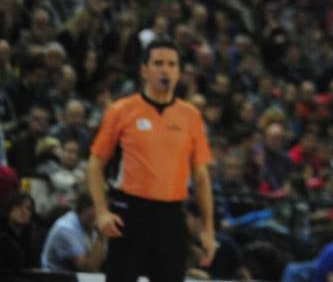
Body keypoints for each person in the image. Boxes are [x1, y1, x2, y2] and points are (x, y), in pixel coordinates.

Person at [88, 38, 216, 282]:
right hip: (129, 212)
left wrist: (209, 231)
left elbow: (201, 177)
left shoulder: (191, 116)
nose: (165, 69)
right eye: (158, 63)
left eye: (171, 64)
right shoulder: (121, 110)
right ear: (144, 70)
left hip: (171, 216)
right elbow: (95, 164)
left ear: (179, 72)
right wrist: (102, 212)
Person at [41, 191, 109, 273]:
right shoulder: (66, 228)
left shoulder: (90, 227)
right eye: (100, 209)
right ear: (85, 207)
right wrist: (101, 235)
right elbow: (87, 268)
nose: (104, 214)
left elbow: (103, 261)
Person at [0, 190, 40, 270]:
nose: (24, 211)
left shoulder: (32, 237)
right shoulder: (2, 235)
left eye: (28, 208)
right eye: (19, 206)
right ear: (9, 209)